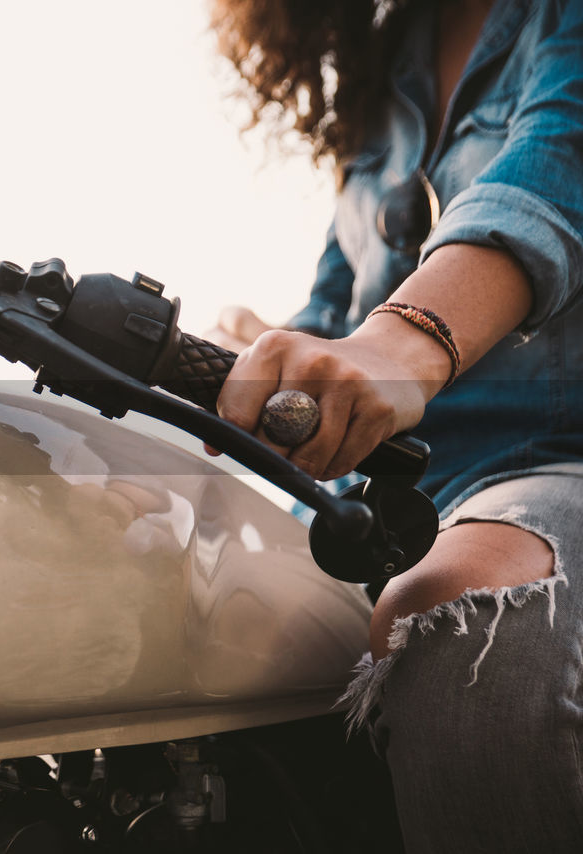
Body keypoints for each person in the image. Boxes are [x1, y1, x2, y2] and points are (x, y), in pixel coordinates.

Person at [207, 0, 583, 849]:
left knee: (467, 611)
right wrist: (257, 362)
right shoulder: (384, 57)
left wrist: (408, 339)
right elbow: (339, 304)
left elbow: (556, 165)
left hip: (556, 466)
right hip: (365, 499)